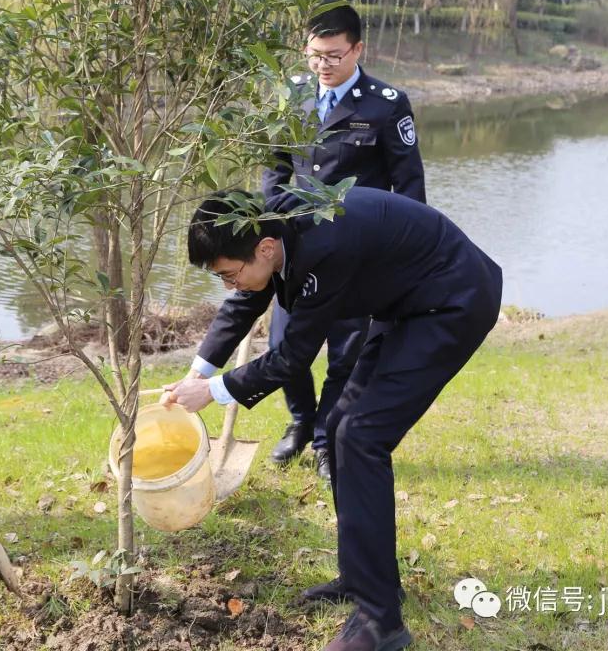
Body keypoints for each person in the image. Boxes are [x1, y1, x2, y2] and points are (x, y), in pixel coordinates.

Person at [163, 188, 502, 651]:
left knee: (361, 438)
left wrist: (216, 391)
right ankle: (364, 578)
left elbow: (293, 356)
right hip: (407, 301)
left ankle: (381, 622)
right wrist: (195, 374)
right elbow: (246, 300)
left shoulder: (323, 247)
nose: (229, 285)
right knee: (343, 426)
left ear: (264, 249)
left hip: (452, 301)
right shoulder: (267, 228)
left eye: (229, 274)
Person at [189, 4, 426, 481]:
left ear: (357, 49)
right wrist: (273, 227)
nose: (323, 65)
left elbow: (410, 189)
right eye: (315, 55)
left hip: (359, 256)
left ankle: (325, 441)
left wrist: (402, 262)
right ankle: (301, 422)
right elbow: (275, 169)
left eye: (334, 55)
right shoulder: (290, 96)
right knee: (285, 346)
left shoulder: (384, 103)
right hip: (293, 248)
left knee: (347, 354)